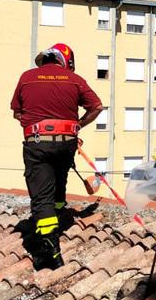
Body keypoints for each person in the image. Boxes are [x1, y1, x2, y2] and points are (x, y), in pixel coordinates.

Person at [11, 43, 103, 270]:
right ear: (66, 61)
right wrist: (76, 125)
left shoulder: (27, 77)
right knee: (59, 179)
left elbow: (17, 112)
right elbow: (97, 107)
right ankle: (60, 212)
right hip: (66, 143)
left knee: (42, 195)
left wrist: (36, 123)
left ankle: (49, 250)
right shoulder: (74, 79)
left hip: (38, 142)